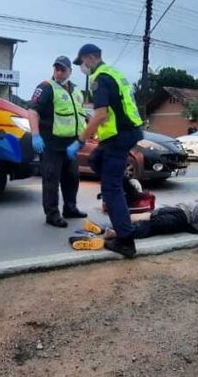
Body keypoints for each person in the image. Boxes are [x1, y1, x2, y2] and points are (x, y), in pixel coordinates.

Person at [69, 44, 144, 258]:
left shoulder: (100, 79)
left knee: (111, 189)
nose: (82, 67)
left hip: (117, 137)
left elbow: (101, 115)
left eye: (82, 62)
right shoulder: (115, 74)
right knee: (95, 160)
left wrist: (80, 140)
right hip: (128, 132)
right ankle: (129, 191)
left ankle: (126, 241)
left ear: (91, 58)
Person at [27, 56, 87, 228]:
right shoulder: (46, 87)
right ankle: (52, 214)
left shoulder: (76, 91)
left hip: (70, 145)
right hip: (51, 144)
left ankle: (70, 208)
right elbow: (32, 112)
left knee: (72, 178)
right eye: (57, 69)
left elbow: (79, 115)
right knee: (51, 179)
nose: (59, 72)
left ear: (70, 71)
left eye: (63, 69)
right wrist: (35, 135)